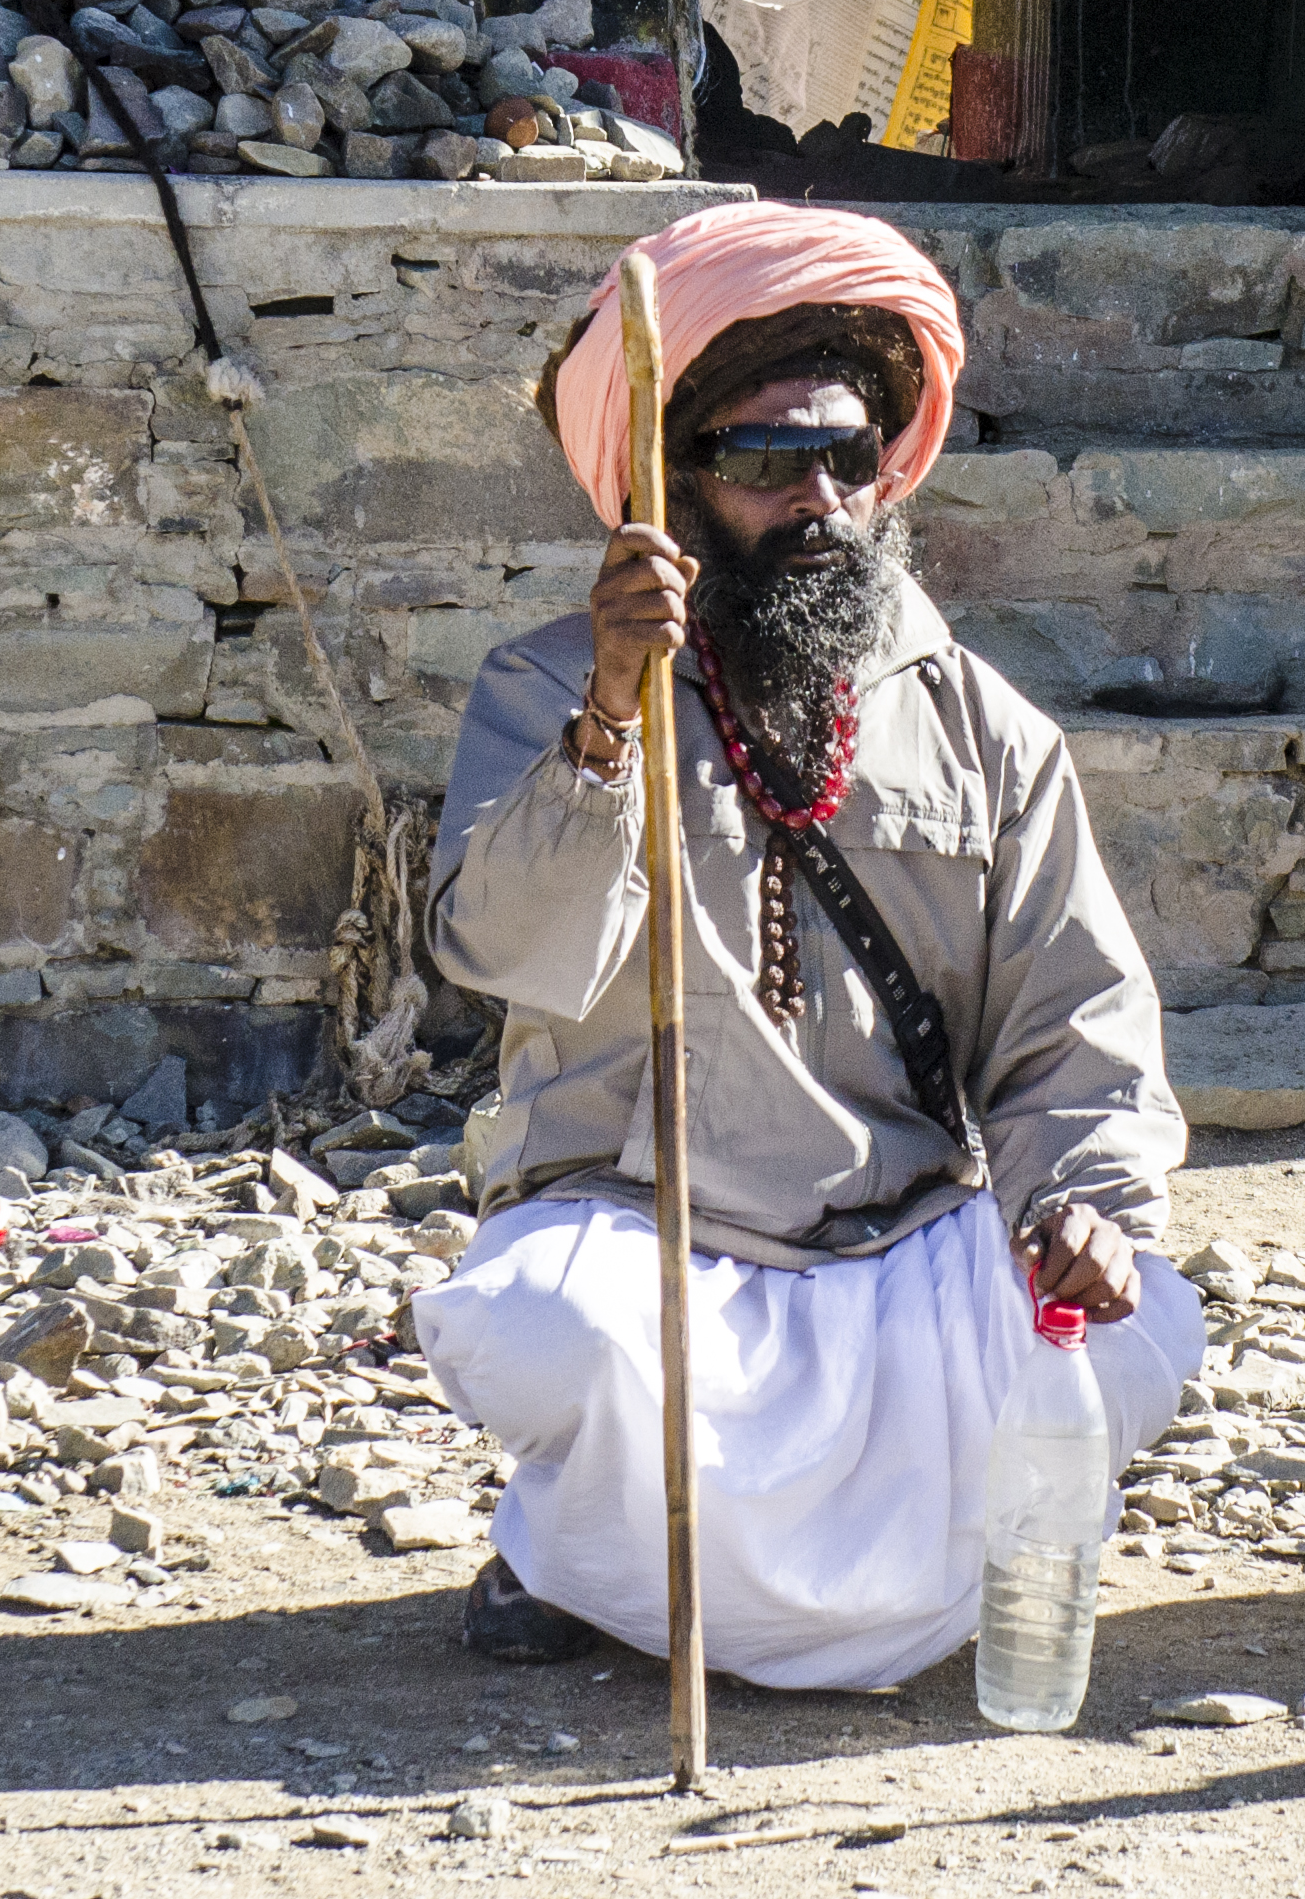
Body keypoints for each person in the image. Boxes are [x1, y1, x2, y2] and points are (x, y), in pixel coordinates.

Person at [408, 200, 1205, 1694]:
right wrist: (607, 726)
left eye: (849, 453)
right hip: (647, 1234)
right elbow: (502, 951)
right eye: (772, 461)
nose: (822, 494)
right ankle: (577, 1550)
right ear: (682, 484)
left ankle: (649, 1573)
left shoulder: (987, 731)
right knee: (542, 1334)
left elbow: (1069, 1030)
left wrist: (1083, 1207)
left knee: (1148, 1328)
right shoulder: (547, 689)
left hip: (899, 1240)